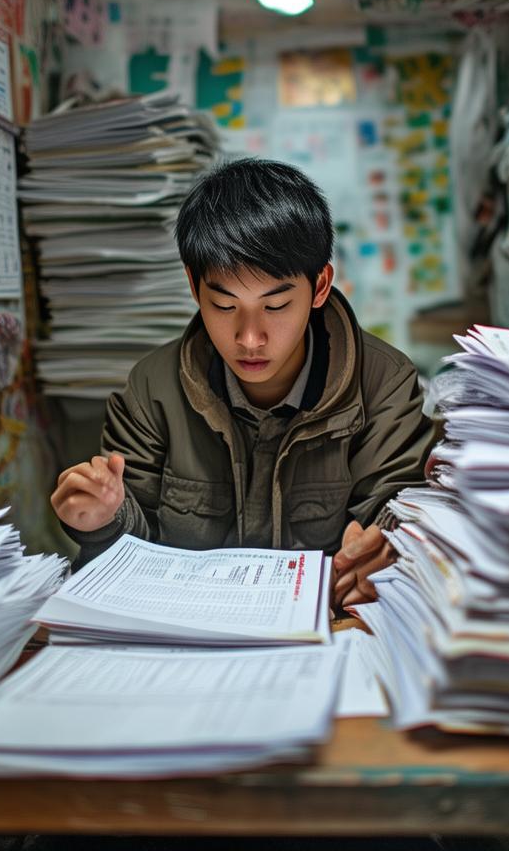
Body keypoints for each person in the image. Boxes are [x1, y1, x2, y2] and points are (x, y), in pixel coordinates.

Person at [50, 157, 434, 610]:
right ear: (194, 287)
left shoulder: (383, 386)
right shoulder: (152, 391)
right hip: (188, 638)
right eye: (225, 305)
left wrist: (387, 552)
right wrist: (102, 520)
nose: (250, 339)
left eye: (275, 307)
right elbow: (132, 556)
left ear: (320, 286)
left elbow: (403, 525)